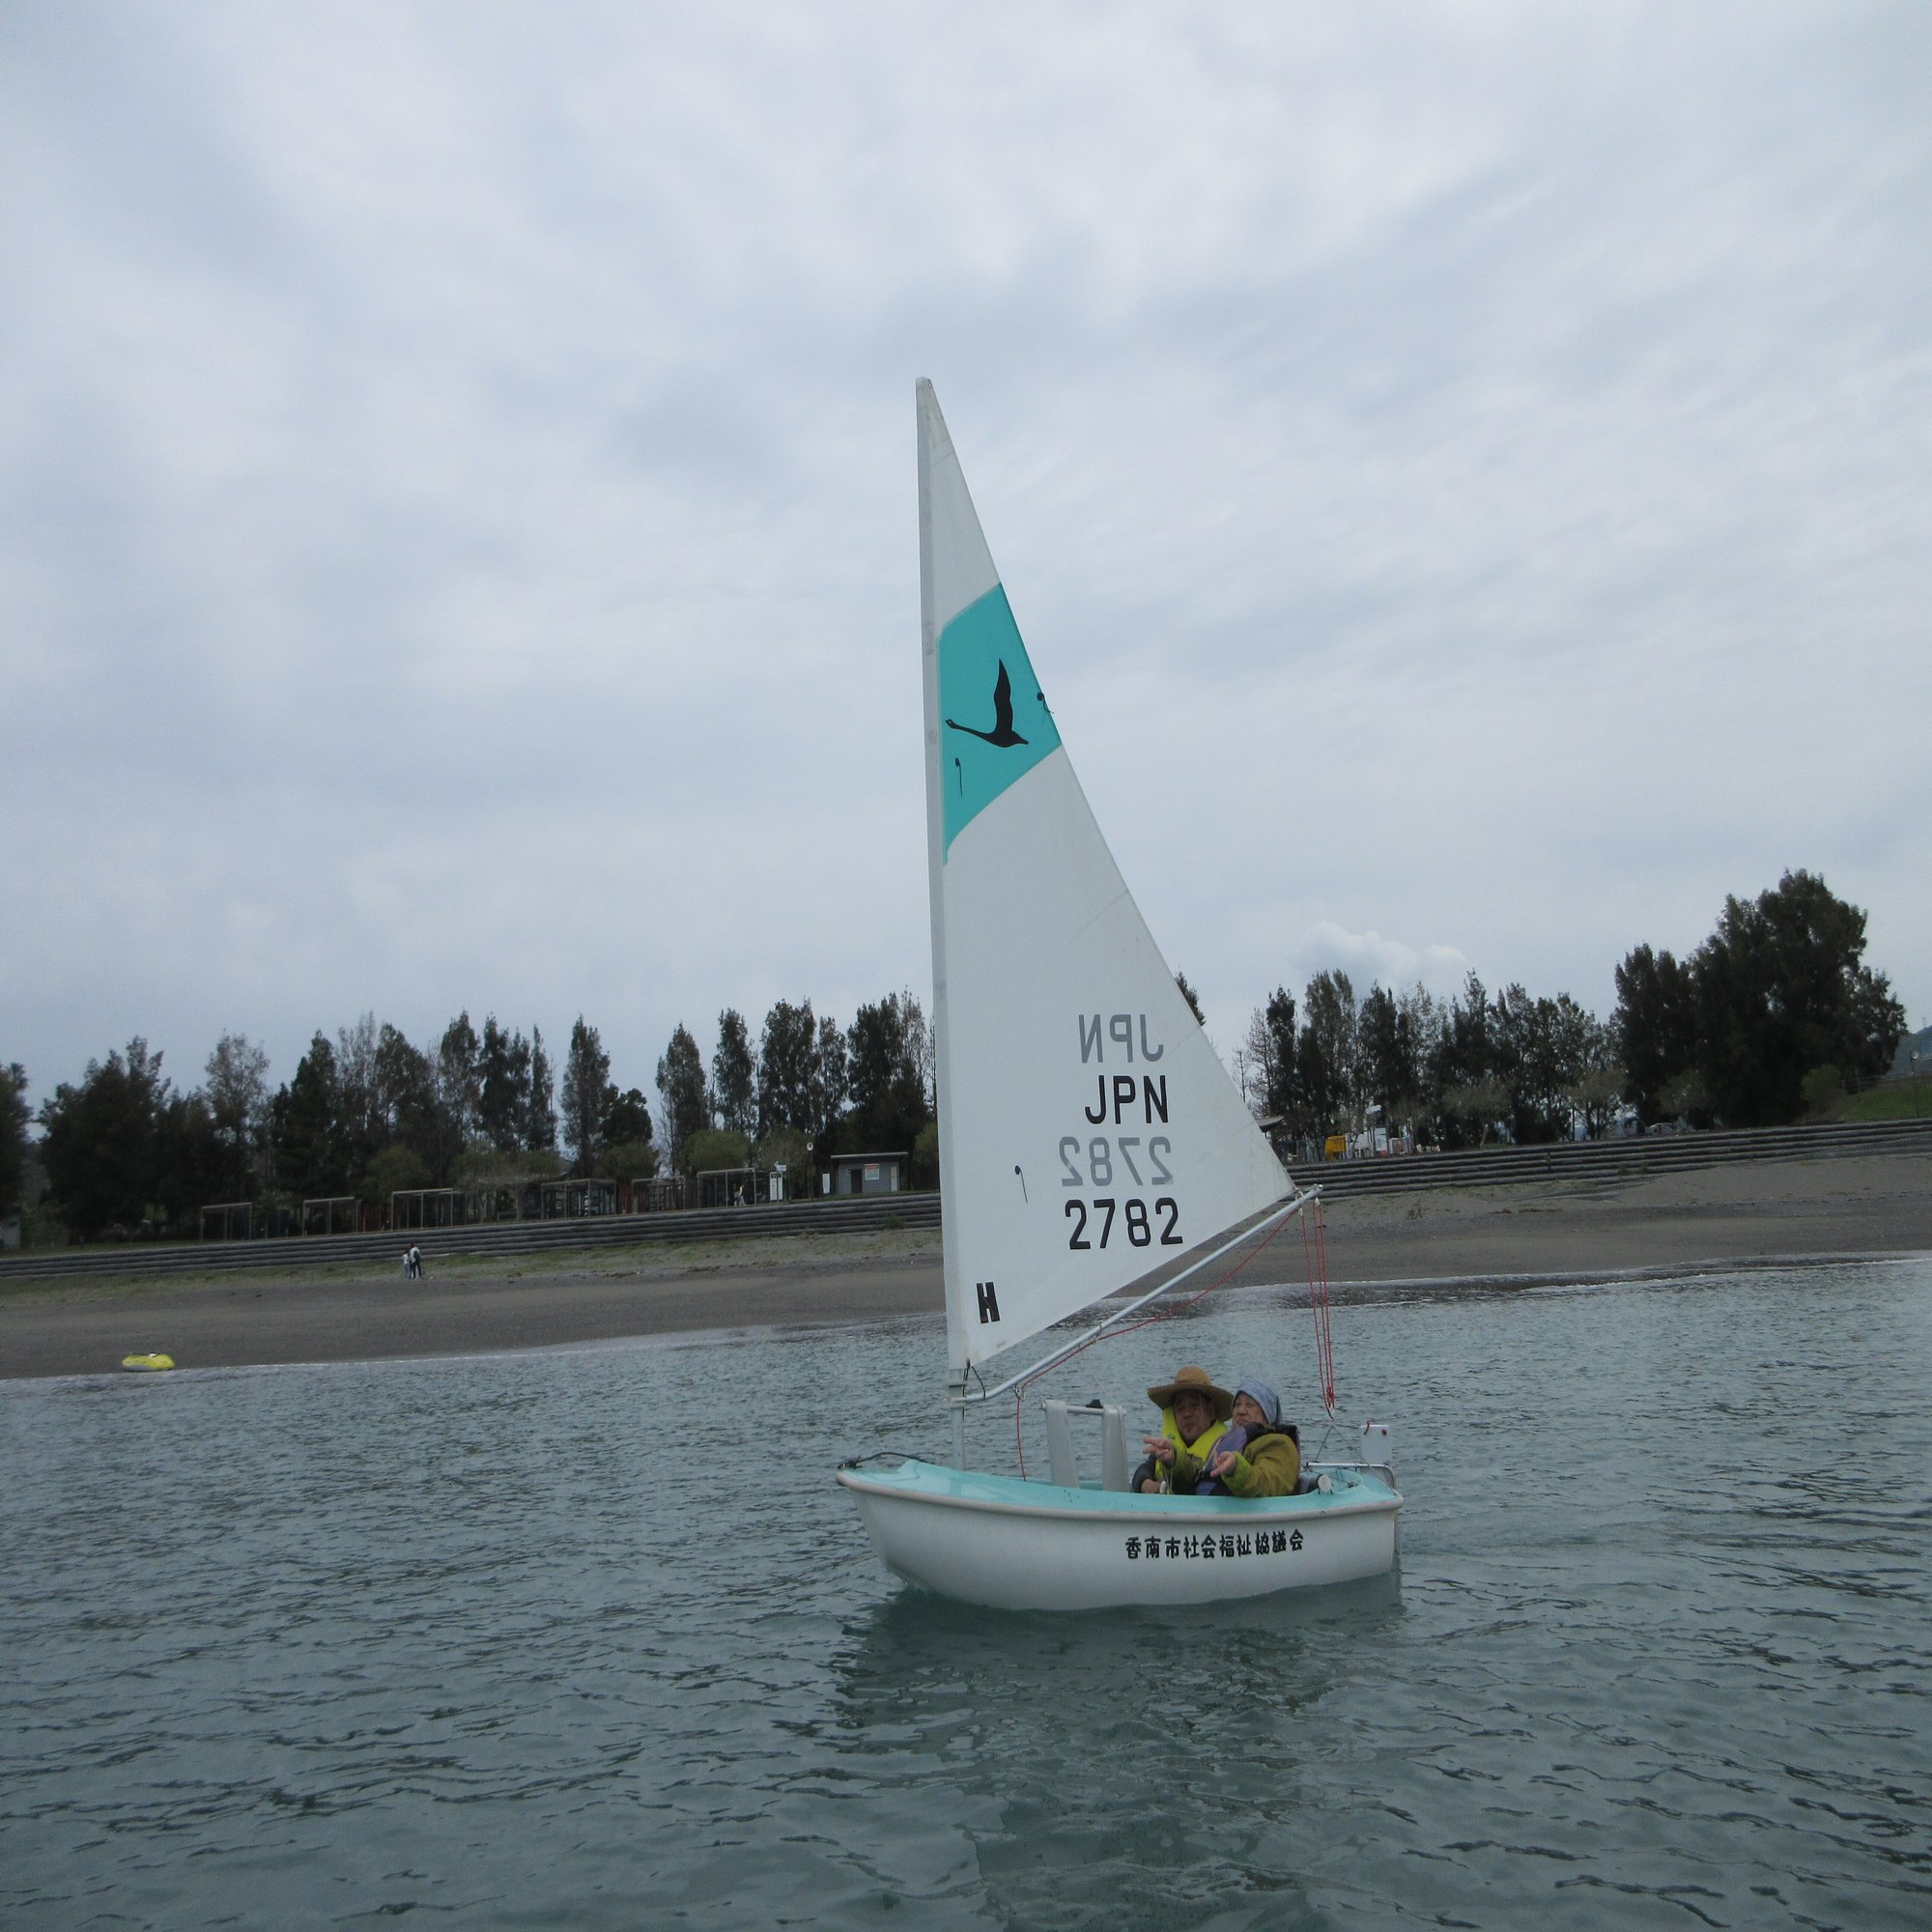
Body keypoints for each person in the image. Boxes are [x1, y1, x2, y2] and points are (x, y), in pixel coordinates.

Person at [1133, 1365, 1233, 1494]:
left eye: (1194, 1406)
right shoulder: (1165, 1447)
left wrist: (1173, 1460)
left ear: (1211, 1411)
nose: (1187, 1414)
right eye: (1180, 1408)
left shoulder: (1226, 1450)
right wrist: (1145, 1483)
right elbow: (1145, 1468)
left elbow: (1193, 1476)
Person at [1204, 1378, 1300, 1497]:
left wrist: (1235, 1469)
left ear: (1267, 1413)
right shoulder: (1223, 1441)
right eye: (1237, 1404)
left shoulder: (1279, 1444)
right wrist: (1180, 1460)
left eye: (1250, 1404)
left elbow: (1267, 1483)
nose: (1241, 1411)